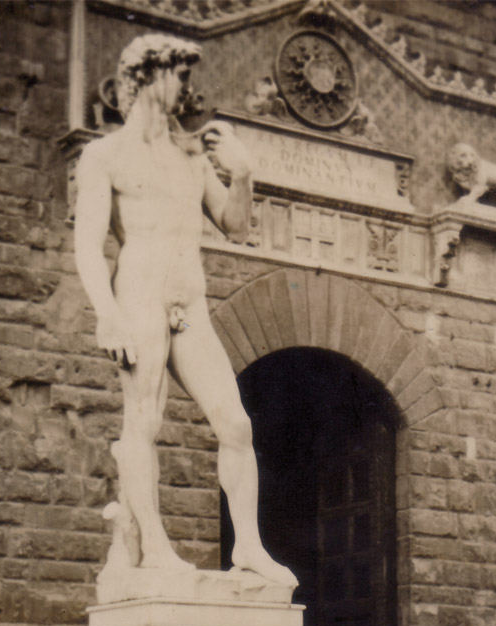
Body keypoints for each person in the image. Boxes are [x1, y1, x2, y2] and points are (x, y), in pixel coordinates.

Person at [74, 33, 295, 587]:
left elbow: (237, 226)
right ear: (149, 76)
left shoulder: (190, 155)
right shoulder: (106, 156)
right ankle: (152, 549)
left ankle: (247, 546)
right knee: (143, 423)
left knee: (235, 423)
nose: (187, 89)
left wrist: (242, 174)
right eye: (180, 76)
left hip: (189, 302)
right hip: (139, 296)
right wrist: (107, 313)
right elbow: (87, 244)